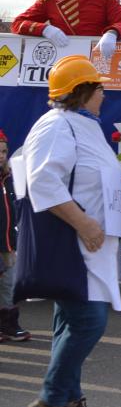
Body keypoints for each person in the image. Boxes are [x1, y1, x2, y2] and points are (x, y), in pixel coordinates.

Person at [21, 55, 121, 407]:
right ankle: (52, 397)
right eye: (100, 87)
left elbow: (87, 182)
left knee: (69, 323)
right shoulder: (56, 125)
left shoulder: (84, 124)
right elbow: (42, 180)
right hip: (73, 243)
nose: (105, 94)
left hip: (90, 246)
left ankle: (70, 398)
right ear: (82, 90)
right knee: (88, 322)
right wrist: (84, 223)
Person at [0, 129, 30, 342]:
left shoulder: (10, 178)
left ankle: (8, 323)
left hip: (8, 243)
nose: (1, 155)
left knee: (9, 285)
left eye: (3, 151)